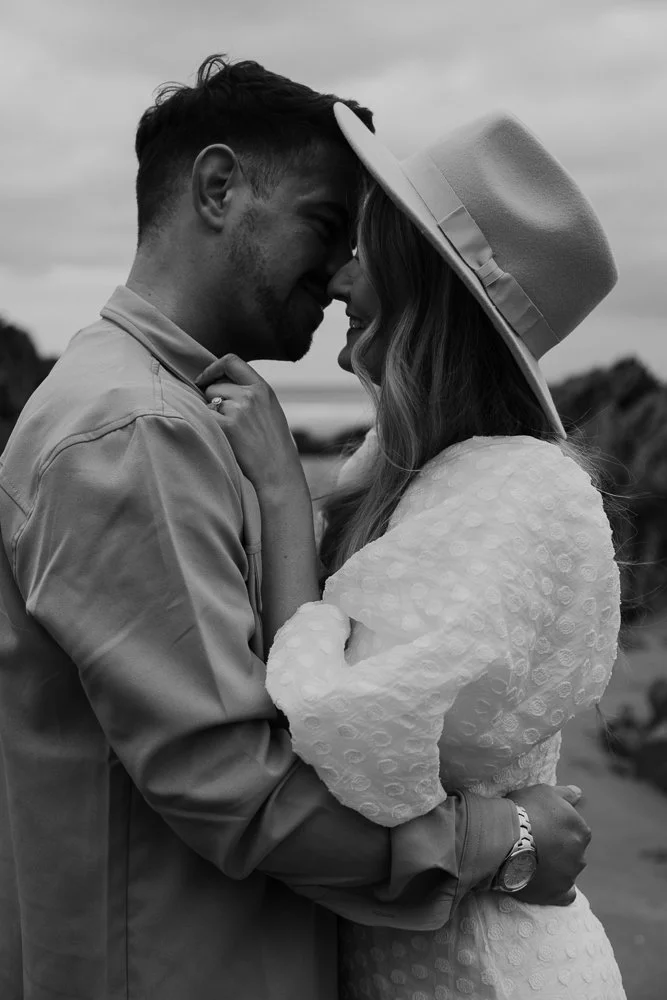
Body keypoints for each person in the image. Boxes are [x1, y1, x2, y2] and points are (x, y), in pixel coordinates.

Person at [0, 56, 591, 1000]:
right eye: (325, 224)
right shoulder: (136, 432)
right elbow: (232, 781)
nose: (338, 271)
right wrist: (501, 838)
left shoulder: (191, 415)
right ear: (219, 187)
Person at [200, 106, 626, 998]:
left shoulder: (517, 490)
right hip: (423, 943)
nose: (341, 276)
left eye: (366, 250)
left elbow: (337, 739)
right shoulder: (402, 464)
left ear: (418, 282)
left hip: (483, 968)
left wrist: (282, 489)